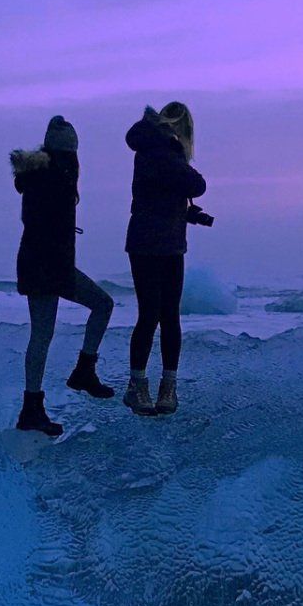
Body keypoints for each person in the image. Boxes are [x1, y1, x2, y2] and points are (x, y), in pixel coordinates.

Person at [10, 115, 116, 437]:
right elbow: (48, 226)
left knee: (45, 333)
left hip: (42, 263)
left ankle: (41, 400)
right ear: (69, 152)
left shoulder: (42, 174)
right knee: (100, 305)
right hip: (49, 266)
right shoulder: (55, 176)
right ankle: (72, 379)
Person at [123, 101, 212, 416]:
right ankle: (156, 388)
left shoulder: (150, 150)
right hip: (157, 245)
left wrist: (185, 214)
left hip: (157, 241)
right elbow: (196, 184)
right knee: (159, 316)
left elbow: (158, 195)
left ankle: (150, 387)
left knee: (155, 315)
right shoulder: (161, 149)